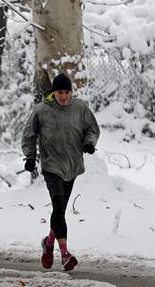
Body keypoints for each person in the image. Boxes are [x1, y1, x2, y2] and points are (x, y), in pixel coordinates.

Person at [21, 72, 99, 271]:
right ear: (53, 93)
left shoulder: (80, 108)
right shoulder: (41, 110)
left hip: (72, 166)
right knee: (58, 204)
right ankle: (64, 254)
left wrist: (89, 144)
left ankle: (48, 245)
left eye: (66, 92)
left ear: (71, 93)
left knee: (60, 211)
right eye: (59, 92)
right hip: (51, 165)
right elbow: (29, 134)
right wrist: (30, 157)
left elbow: (92, 129)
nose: (63, 96)